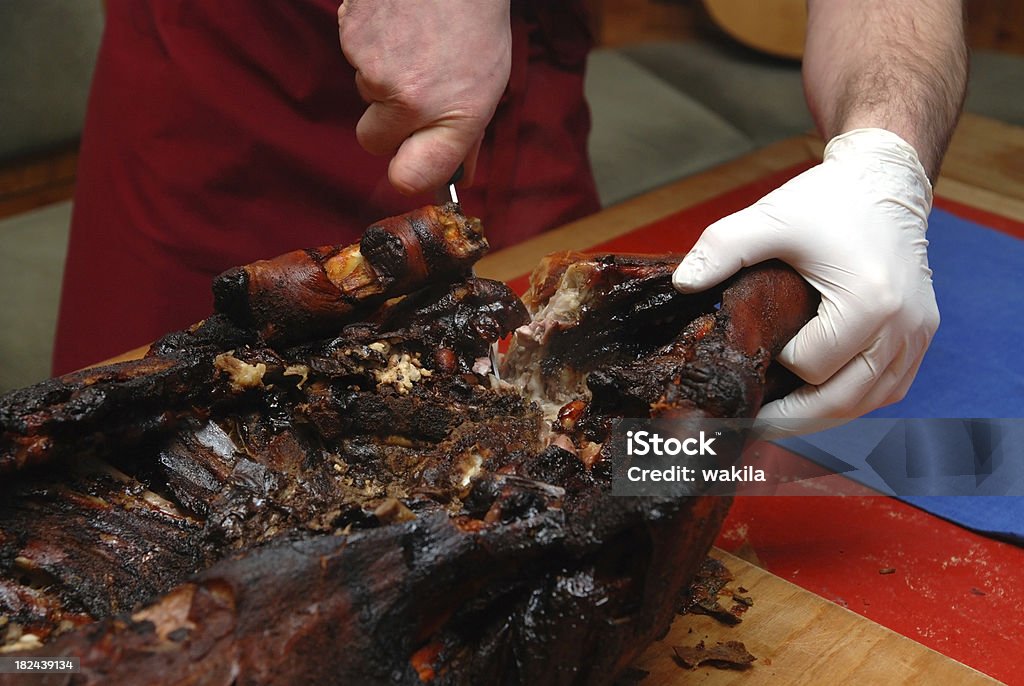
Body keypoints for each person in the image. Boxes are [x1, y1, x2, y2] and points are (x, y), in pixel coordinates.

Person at [54, 0, 967, 425]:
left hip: (525, 84)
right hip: (241, 89)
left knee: (583, 404)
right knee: (137, 431)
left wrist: (886, 159)